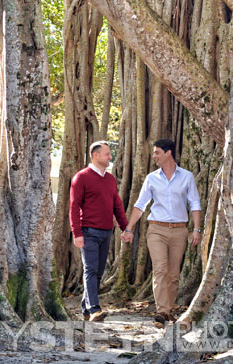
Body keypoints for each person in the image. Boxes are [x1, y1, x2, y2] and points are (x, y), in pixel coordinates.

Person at [121, 138, 201, 328]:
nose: (154, 156)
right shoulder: (151, 178)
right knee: (160, 269)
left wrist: (196, 229)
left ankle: (169, 310)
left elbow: (195, 203)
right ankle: (162, 311)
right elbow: (140, 205)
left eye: (157, 152)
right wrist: (129, 228)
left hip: (180, 230)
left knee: (173, 274)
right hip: (156, 229)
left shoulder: (187, 177)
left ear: (168, 153)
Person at [70, 140, 128, 322]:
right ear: (95, 155)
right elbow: (73, 206)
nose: (110, 157)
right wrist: (77, 233)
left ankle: (86, 310)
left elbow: (117, 205)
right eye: (107, 154)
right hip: (88, 232)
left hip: (106, 232)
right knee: (91, 270)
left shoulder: (110, 179)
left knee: (99, 271)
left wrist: (125, 227)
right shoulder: (81, 177)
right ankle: (95, 308)